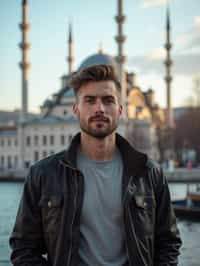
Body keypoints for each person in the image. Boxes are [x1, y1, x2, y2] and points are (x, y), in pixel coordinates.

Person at [10, 64, 182, 266]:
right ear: (75, 109)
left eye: (108, 100)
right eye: (90, 100)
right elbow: (24, 249)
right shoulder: (43, 174)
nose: (99, 108)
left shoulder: (149, 173)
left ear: (120, 110)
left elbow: (169, 244)